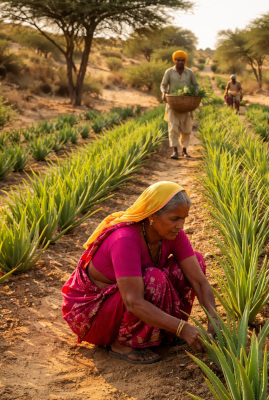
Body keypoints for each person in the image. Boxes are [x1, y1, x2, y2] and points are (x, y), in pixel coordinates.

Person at [62, 181, 218, 364]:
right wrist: (183, 328)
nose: (180, 226)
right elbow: (133, 301)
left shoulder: (172, 234)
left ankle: (163, 332)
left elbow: (198, 281)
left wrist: (214, 319)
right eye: (174, 219)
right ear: (152, 215)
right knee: (154, 278)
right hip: (95, 314)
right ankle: (123, 344)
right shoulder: (125, 239)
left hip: (128, 302)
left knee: (196, 261)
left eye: (184, 219)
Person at [160, 50, 200, 159]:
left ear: (185, 61)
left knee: (186, 129)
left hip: (187, 105)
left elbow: (196, 85)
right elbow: (163, 85)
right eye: (178, 60)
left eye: (182, 60)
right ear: (174, 60)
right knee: (173, 128)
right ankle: (174, 151)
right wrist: (164, 92)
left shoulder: (190, 72)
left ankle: (184, 150)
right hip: (173, 104)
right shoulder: (169, 72)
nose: (180, 62)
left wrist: (196, 91)